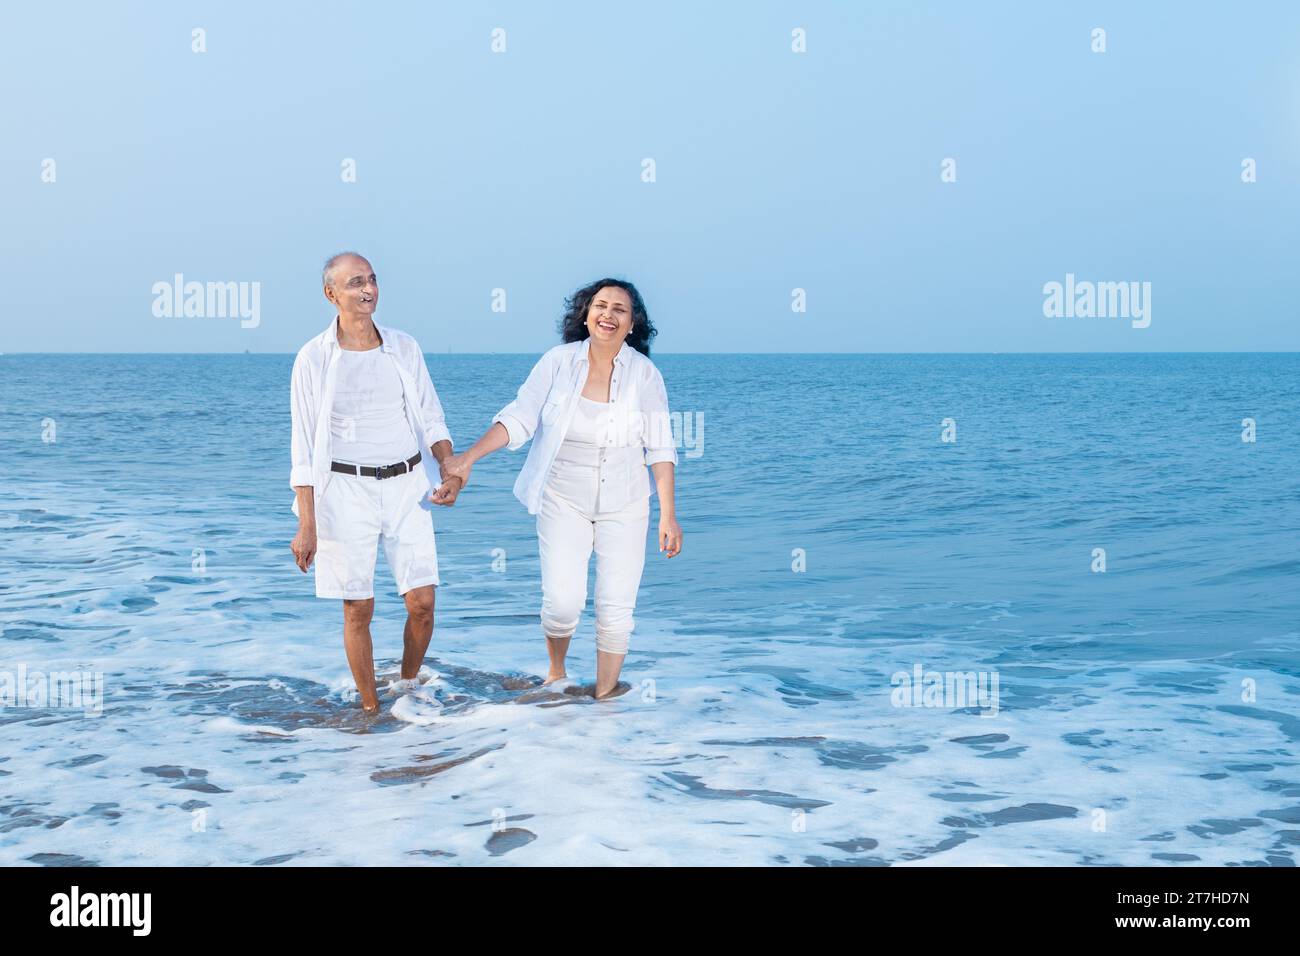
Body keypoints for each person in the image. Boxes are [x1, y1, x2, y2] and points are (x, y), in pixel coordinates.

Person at [441, 278, 682, 699]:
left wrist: (668, 514)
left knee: (616, 610)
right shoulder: (558, 362)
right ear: (586, 315)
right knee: (563, 603)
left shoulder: (645, 375)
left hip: (626, 503)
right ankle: (557, 673)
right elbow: (519, 418)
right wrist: (467, 459)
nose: (608, 314)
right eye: (600, 306)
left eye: (619, 310)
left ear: (632, 324)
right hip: (563, 497)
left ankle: (606, 699)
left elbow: (659, 446)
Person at [288, 252, 462, 714]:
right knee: (357, 608)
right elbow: (303, 448)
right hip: (343, 491)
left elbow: (430, 415)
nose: (368, 290)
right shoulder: (313, 358)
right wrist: (307, 524)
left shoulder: (403, 346)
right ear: (332, 294)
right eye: (355, 283)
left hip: (407, 484)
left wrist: (450, 466)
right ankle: (370, 710)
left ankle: (406, 689)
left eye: (372, 280)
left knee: (422, 603)